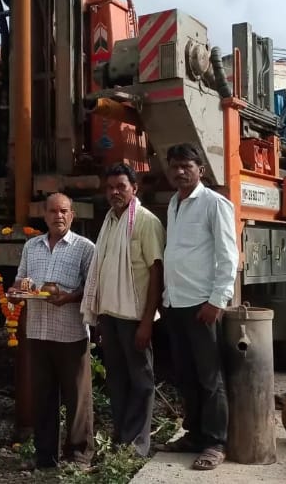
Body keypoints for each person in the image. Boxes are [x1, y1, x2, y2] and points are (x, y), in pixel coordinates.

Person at [155, 143, 238, 471]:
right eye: (174, 166)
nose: (179, 172)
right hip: (176, 303)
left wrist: (217, 301)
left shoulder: (214, 203)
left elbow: (228, 255)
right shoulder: (174, 204)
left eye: (186, 166)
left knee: (209, 376)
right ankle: (194, 434)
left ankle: (216, 443)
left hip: (201, 305)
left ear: (200, 170)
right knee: (186, 374)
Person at [81, 164, 165, 457]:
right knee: (117, 381)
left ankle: (138, 445)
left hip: (134, 317)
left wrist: (146, 323)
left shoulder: (146, 221)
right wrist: (99, 319)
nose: (115, 192)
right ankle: (121, 439)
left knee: (141, 381)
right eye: (110, 187)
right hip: (110, 316)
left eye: (121, 186)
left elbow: (156, 272)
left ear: (134, 188)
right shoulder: (109, 221)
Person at [10, 193, 96, 469]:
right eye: (53, 211)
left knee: (77, 398)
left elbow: (92, 289)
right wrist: (15, 292)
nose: (58, 216)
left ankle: (79, 456)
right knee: (43, 397)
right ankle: (45, 456)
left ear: (72, 215)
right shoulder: (31, 246)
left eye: (63, 211)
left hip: (71, 333)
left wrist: (69, 298)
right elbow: (22, 281)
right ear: (44, 215)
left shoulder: (85, 248)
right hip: (38, 332)